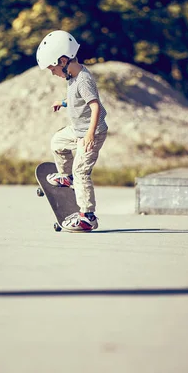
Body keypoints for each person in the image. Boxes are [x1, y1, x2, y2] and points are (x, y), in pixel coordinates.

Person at [36, 30, 108, 232]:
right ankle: (66, 176)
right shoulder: (72, 78)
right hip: (77, 130)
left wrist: (90, 134)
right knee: (57, 142)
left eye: (52, 68)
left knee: (82, 171)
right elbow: (79, 100)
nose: (52, 73)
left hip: (91, 133)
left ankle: (87, 216)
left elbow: (95, 107)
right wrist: (64, 102)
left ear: (63, 60)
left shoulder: (83, 80)